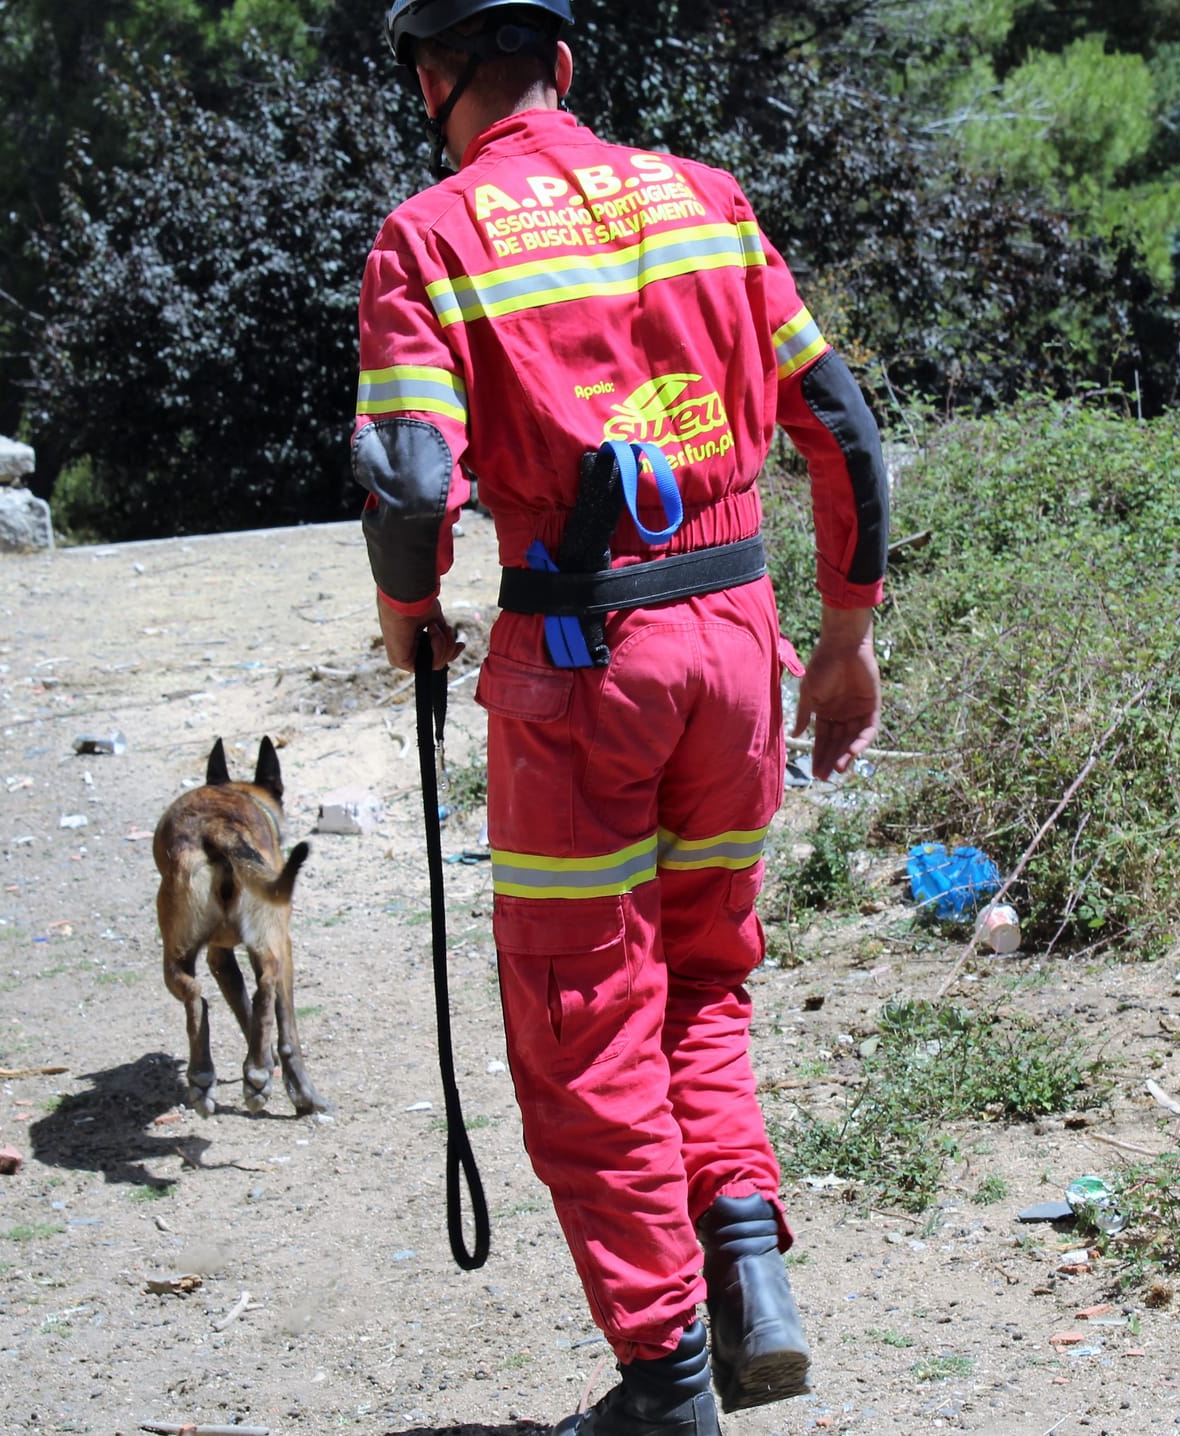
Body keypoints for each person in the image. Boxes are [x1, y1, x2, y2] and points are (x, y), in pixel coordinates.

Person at [355, 2, 889, 1431]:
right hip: (738, 648)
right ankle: (750, 1277)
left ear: (434, 80)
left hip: (585, 667)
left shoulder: (430, 238)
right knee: (703, 975)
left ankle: (665, 1381)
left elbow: (412, 484)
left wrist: (408, 616)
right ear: (566, 66)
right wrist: (844, 640)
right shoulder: (707, 199)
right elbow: (841, 426)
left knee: (583, 1016)